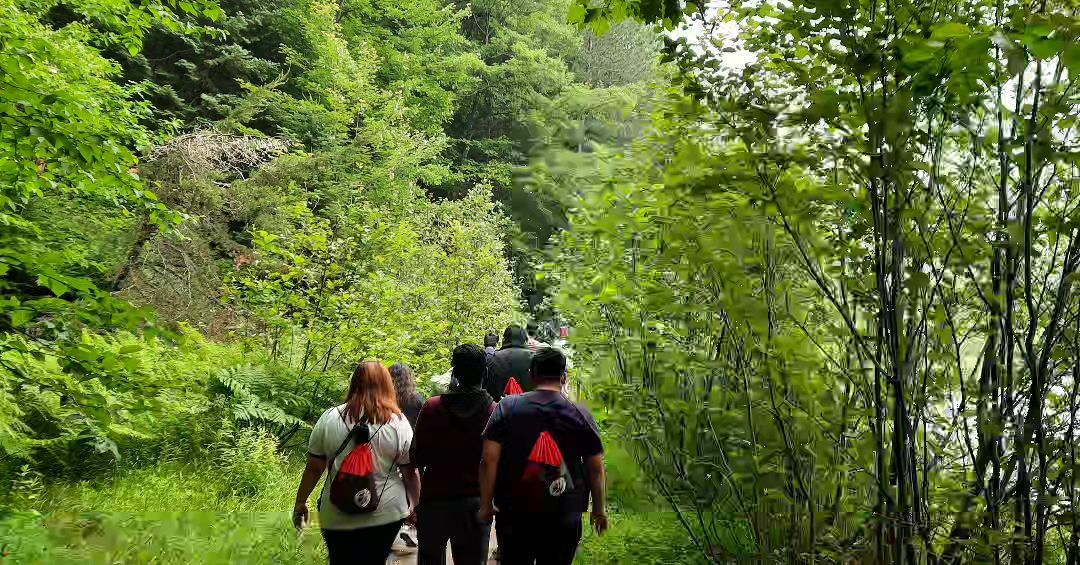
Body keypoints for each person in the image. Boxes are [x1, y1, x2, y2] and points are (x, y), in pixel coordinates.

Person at [478, 348, 608, 565]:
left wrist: (486, 504)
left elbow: (488, 460)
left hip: (515, 516)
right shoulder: (580, 413)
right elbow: (596, 467)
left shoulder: (507, 406)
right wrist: (599, 509)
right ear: (564, 377)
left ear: (531, 375)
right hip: (564, 513)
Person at [293, 361, 420, 565]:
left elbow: (314, 468)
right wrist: (415, 506)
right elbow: (409, 472)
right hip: (386, 514)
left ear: (354, 383)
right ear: (387, 385)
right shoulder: (399, 422)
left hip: (336, 511)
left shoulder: (330, 418)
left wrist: (301, 501)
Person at [411, 344, 496, 565]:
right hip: (475, 504)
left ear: (454, 373)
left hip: (434, 501)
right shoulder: (494, 411)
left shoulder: (432, 407)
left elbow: (417, 458)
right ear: (484, 373)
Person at [390, 363, 425, 550]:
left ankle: (398, 525)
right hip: (411, 448)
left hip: (390, 446)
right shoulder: (417, 399)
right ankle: (413, 527)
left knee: (393, 485)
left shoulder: (385, 399)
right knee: (413, 485)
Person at [486, 325, 534, 401]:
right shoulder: (537, 359)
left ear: (504, 339)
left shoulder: (492, 358)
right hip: (531, 409)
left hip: (499, 409)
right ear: (525, 340)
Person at [390, 363, 425, 431]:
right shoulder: (417, 399)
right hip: (413, 438)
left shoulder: (385, 399)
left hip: (391, 437)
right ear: (408, 378)